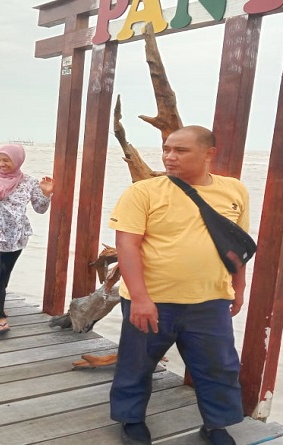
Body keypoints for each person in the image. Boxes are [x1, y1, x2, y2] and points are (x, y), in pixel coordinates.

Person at [108, 125, 249, 445]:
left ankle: (216, 424)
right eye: (167, 149)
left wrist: (240, 287)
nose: (170, 157)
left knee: (219, 366)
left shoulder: (235, 190)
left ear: (209, 154)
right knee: (137, 363)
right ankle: (130, 419)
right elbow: (127, 245)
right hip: (152, 299)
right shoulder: (143, 192)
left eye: (181, 151)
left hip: (210, 299)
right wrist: (141, 299)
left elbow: (236, 245)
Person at [0, 144, 54, 333]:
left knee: (3, 273)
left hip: (16, 236)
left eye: (6, 160)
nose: (1, 164)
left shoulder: (29, 181)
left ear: (18, 160)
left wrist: (47, 193)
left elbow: (40, 209)